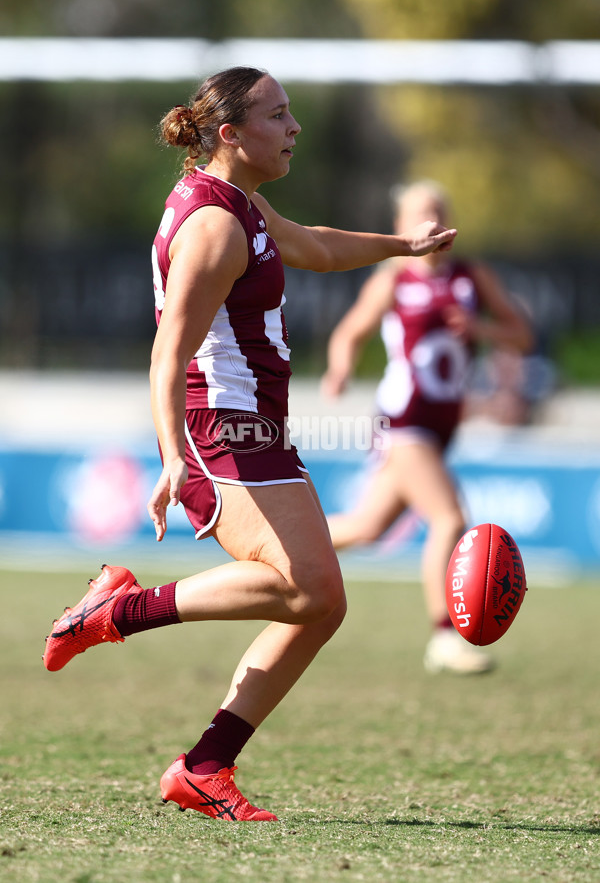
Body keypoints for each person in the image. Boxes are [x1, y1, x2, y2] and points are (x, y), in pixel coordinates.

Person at [42, 69, 457, 822]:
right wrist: (173, 455)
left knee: (319, 603)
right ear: (230, 134)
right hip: (217, 429)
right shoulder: (213, 225)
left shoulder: (241, 204)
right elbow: (169, 354)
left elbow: (316, 248)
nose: (295, 126)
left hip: (255, 428)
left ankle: (205, 767)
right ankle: (119, 612)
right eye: (279, 114)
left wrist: (405, 245)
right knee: (308, 591)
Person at [321, 180, 533, 675]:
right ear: (402, 228)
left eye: (439, 212)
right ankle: (444, 637)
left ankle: (283, 548)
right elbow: (351, 331)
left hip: (439, 430)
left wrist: (481, 329)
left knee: (368, 529)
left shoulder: (471, 277)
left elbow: (521, 336)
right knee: (449, 519)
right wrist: (340, 369)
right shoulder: (395, 280)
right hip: (403, 424)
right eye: (422, 214)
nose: (433, 221)